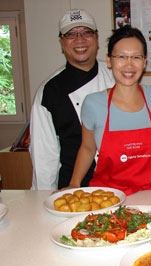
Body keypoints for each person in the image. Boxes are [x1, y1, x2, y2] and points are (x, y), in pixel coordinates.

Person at [63, 26, 151, 196]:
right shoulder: (94, 103)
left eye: (136, 57)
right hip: (109, 196)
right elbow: (87, 148)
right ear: (109, 61)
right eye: (121, 57)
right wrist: (74, 183)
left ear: (145, 62)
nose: (129, 64)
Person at [29, 9, 114, 190]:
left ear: (96, 38)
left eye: (86, 32)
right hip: (74, 191)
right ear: (61, 42)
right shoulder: (49, 92)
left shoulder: (117, 77)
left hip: (117, 185)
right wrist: (43, 199)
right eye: (71, 34)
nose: (79, 39)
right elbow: (44, 156)